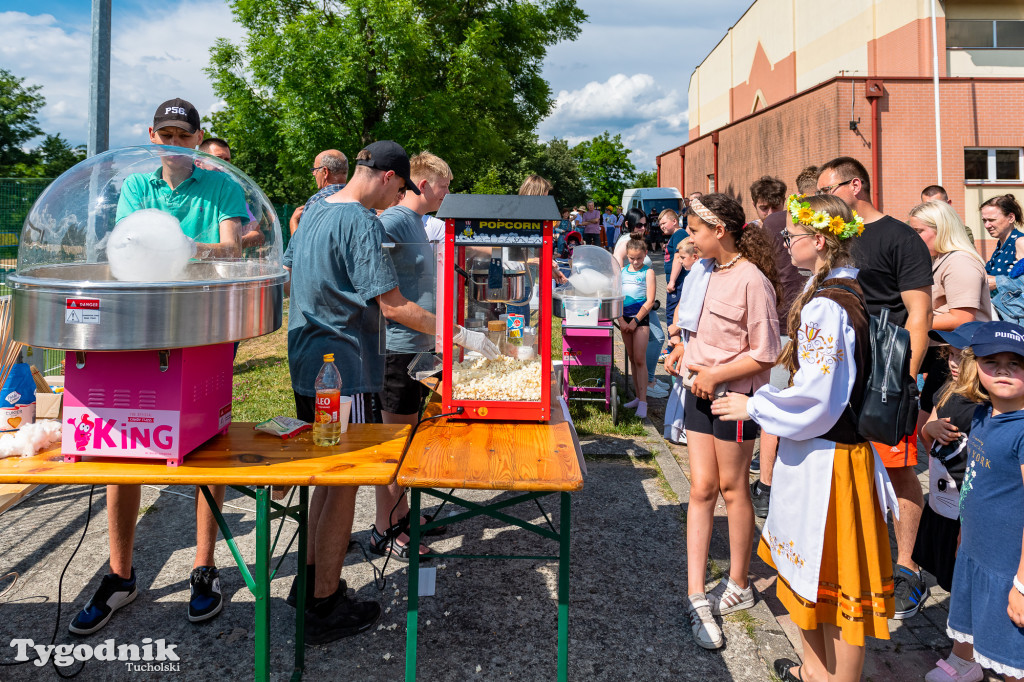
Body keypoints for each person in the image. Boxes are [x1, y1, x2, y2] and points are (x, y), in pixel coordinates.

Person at [284, 140, 497, 644]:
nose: (396, 199)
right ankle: (325, 604)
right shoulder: (358, 219)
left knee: (325, 478)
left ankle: (309, 582)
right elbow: (395, 306)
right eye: (398, 189)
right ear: (386, 177)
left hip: (305, 363)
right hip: (343, 371)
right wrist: (459, 335)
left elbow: (295, 270)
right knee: (343, 488)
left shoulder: (316, 207)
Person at [69, 98, 246, 636]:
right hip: (140, 325)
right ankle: (121, 574)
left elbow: (235, 249)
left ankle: (203, 565)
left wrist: (190, 247)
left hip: (205, 325)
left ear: (197, 140)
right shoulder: (137, 187)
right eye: (165, 134)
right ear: (152, 136)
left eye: (183, 135)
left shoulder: (223, 187)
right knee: (122, 439)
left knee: (204, 442)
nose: (174, 143)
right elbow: (128, 247)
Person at [711, 193, 897, 682]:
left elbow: (816, 397)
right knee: (813, 581)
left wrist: (752, 405)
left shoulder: (827, 306)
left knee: (837, 587)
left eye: (792, 235)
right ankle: (814, 672)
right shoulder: (843, 286)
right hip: (824, 453)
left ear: (819, 240)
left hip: (828, 460)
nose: (785, 242)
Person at [816, 156, 934, 620]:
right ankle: (858, 560)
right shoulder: (838, 239)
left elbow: (920, 315)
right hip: (843, 373)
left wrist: (906, 380)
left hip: (887, 371)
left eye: (828, 189)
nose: (820, 201)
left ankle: (906, 569)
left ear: (855, 184)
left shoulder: (900, 239)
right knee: (850, 465)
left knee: (898, 469)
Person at [663, 193, 781, 650]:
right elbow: (694, 328)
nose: (688, 238)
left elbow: (766, 352)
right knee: (700, 489)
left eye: (694, 230)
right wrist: (681, 352)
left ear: (720, 231)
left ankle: (738, 583)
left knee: (733, 490)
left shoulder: (752, 281)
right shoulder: (701, 272)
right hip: (699, 391)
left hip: (733, 399)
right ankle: (695, 590)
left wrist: (715, 373)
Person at [371, 152, 453, 562]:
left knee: (409, 439)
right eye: (445, 185)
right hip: (395, 350)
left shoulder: (417, 224)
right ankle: (385, 527)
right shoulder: (394, 222)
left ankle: (402, 517)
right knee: (395, 443)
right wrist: (447, 331)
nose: (447, 193)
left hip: (416, 347)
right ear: (423, 184)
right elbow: (386, 300)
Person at [945, 321, 1024, 682]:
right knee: (983, 634)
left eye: (1017, 363)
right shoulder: (982, 414)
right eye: (993, 360)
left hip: (1010, 566)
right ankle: (966, 667)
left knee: (1013, 659)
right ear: (975, 365)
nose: (1004, 369)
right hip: (979, 550)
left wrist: (1022, 585)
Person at [914, 323, 987, 682]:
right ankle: (967, 647)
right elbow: (928, 435)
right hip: (942, 503)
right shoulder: (948, 389)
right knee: (951, 578)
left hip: (966, 511)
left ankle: (966, 658)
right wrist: (930, 430)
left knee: (968, 586)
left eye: (964, 357)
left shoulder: (986, 408)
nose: (954, 362)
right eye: (951, 355)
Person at [747, 176, 808, 518]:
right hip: (811, 320)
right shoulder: (807, 221)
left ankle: (767, 484)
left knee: (775, 402)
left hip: (782, 320)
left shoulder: (766, 226)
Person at [908, 200, 991, 435]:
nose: (914, 238)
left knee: (934, 431)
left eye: (919, 231)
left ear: (942, 229)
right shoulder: (942, 259)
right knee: (928, 431)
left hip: (959, 356)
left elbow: (963, 318)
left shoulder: (960, 262)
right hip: (946, 353)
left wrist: (913, 321)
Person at [613, 209, 668, 399]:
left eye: (645, 224)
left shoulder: (640, 251)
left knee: (652, 344)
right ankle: (646, 385)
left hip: (641, 307)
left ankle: (647, 383)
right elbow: (617, 265)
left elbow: (650, 298)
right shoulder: (625, 243)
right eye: (639, 225)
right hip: (630, 307)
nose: (643, 228)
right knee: (655, 340)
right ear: (628, 224)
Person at [663, 236, 699, 445]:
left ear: (694, 257)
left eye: (683, 257)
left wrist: (677, 327)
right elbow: (681, 306)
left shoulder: (697, 276)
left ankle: (683, 427)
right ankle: (678, 427)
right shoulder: (691, 276)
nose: (680, 262)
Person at [619, 238, 657, 419]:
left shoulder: (648, 272)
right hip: (624, 318)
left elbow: (650, 300)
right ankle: (637, 396)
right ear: (627, 256)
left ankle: (643, 401)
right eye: (632, 258)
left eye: (639, 259)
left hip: (640, 318)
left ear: (645, 255)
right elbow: (615, 297)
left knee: (640, 359)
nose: (635, 262)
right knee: (632, 358)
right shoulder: (621, 272)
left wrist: (635, 321)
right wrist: (621, 320)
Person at [289, 149, 349, 234]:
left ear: (325, 172)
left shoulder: (317, 201)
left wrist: (293, 221)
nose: (313, 173)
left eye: (315, 169)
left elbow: (300, 245)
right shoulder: (361, 200)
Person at [661, 208, 688, 361]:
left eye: (664, 222)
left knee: (672, 313)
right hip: (675, 283)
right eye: (660, 224)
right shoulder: (676, 235)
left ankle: (672, 346)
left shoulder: (679, 234)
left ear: (674, 221)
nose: (661, 226)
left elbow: (678, 256)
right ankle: (673, 345)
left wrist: (671, 281)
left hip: (677, 284)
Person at [982, 194, 1024, 285]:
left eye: (992, 220)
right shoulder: (1002, 244)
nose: (987, 225)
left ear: (1011, 218)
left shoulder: (1020, 242)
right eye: (984, 220)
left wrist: (997, 282)